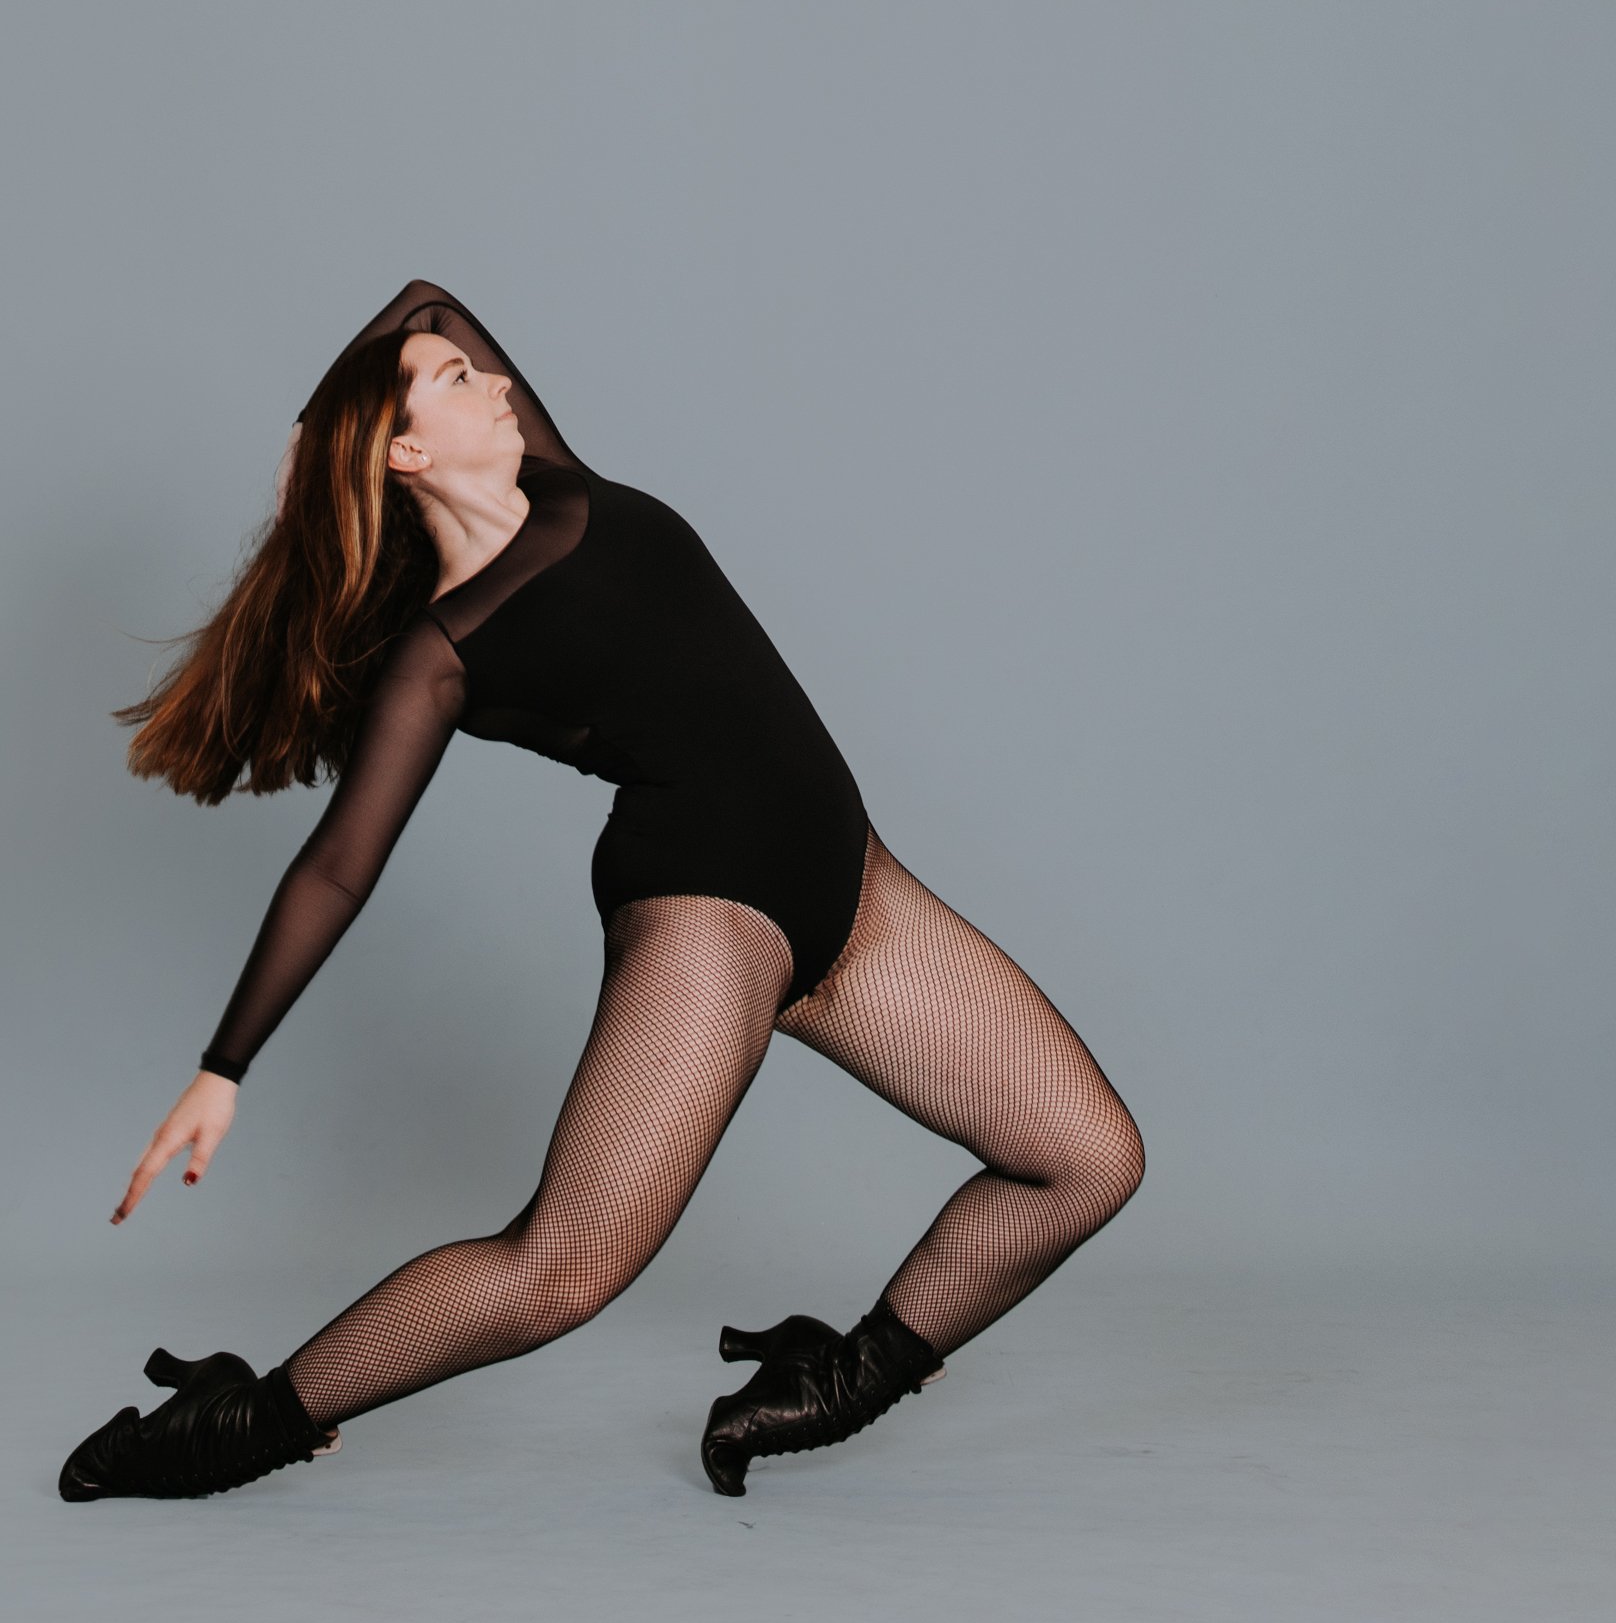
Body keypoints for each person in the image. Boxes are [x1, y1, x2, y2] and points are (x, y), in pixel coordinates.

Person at [60, 281, 1143, 1504]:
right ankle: (244, 1423)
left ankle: (839, 1381)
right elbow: (338, 865)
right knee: (560, 1270)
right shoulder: (446, 650)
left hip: (848, 881)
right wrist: (224, 1067)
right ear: (407, 452)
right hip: (710, 911)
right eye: (456, 382)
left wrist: (313, 435)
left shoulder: (560, 480)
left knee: (1088, 1160)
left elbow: (427, 297)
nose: (494, 379)